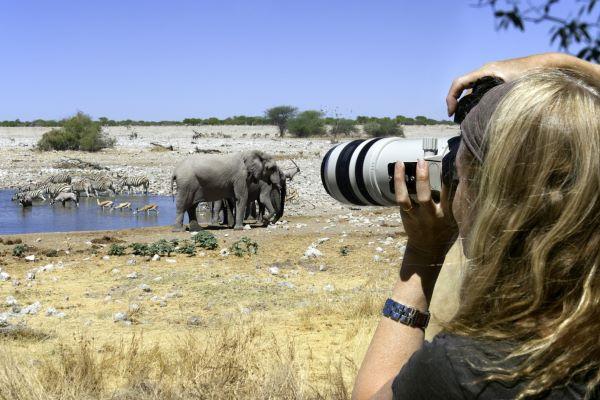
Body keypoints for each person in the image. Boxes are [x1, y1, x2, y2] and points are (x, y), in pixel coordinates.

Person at [352, 53, 600, 400]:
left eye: (460, 171)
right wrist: (564, 67)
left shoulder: (473, 368)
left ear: (490, 199)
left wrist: (422, 255)